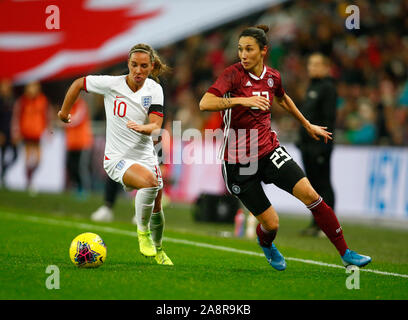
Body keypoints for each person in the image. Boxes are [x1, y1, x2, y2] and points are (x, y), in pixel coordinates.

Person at [199, 25, 371, 270]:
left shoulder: (273, 77)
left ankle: (346, 253)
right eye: (240, 50)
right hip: (239, 161)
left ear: (263, 51)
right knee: (272, 224)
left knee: (312, 195)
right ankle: (267, 244)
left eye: (249, 49)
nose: (243, 55)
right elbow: (205, 103)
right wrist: (242, 100)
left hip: (269, 151)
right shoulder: (232, 75)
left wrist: (307, 124)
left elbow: (282, 98)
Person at [58, 43, 173, 266]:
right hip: (117, 159)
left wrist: (145, 128)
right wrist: (64, 112)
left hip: (145, 156)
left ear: (151, 67)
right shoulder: (112, 84)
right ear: (128, 64)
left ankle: (159, 251)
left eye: (143, 66)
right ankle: (143, 234)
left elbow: (156, 124)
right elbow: (78, 83)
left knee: (157, 204)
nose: (138, 70)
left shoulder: (154, 89)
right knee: (150, 183)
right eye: (134, 65)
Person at [296, 53, 337, 237]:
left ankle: (328, 225)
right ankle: (316, 223)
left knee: (324, 184)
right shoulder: (313, 86)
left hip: (320, 145)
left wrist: (324, 145)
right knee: (312, 187)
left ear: (326, 67)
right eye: (310, 64)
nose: (312, 67)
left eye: (316, 64)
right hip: (307, 146)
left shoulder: (328, 87)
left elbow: (329, 118)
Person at [13, 81, 50, 192]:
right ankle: (29, 181)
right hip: (26, 133)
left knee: (39, 160)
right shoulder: (23, 101)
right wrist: (17, 131)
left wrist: (48, 130)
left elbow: (46, 116)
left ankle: (30, 176)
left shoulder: (42, 100)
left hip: (38, 133)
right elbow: (17, 116)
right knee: (28, 159)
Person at [63, 97, 94, 198]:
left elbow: (77, 119)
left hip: (83, 142)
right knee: (71, 166)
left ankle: (85, 190)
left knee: (81, 167)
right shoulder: (67, 106)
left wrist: (64, 120)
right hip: (71, 143)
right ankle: (77, 187)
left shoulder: (81, 105)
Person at [0, 79, 18, 187]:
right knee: (3, 154)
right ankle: (3, 177)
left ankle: (3, 172)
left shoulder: (13, 100)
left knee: (15, 155)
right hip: (2, 132)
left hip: (11, 133)